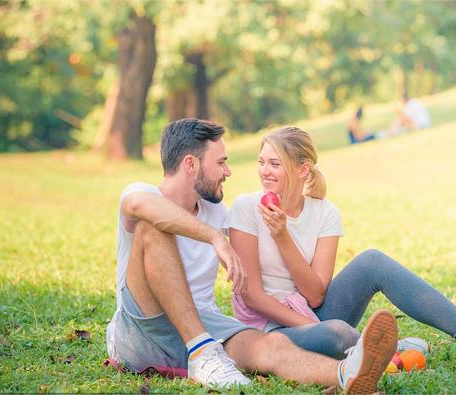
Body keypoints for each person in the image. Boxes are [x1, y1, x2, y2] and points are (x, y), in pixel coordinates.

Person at [105, 118, 399, 394]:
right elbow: (141, 206)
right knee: (152, 228)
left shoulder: (217, 213)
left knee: (269, 346)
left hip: (207, 323)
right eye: (221, 163)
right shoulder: (140, 193)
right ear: (191, 164)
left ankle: (347, 374)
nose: (228, 172)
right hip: (143, 329)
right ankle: (202, 353)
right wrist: (213, 237)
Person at [226, 126, 456, 372]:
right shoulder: (246, 208)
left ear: (302, 169)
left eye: (275, 164)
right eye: (261, 162)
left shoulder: (325, 213)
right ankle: (377, 346)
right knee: (335, 334)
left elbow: (316, 296)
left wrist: (283, 236)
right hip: (270, 328)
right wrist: (315, 326)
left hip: (313, 311)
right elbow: (253, 296)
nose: (264, 171)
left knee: (372, 261)